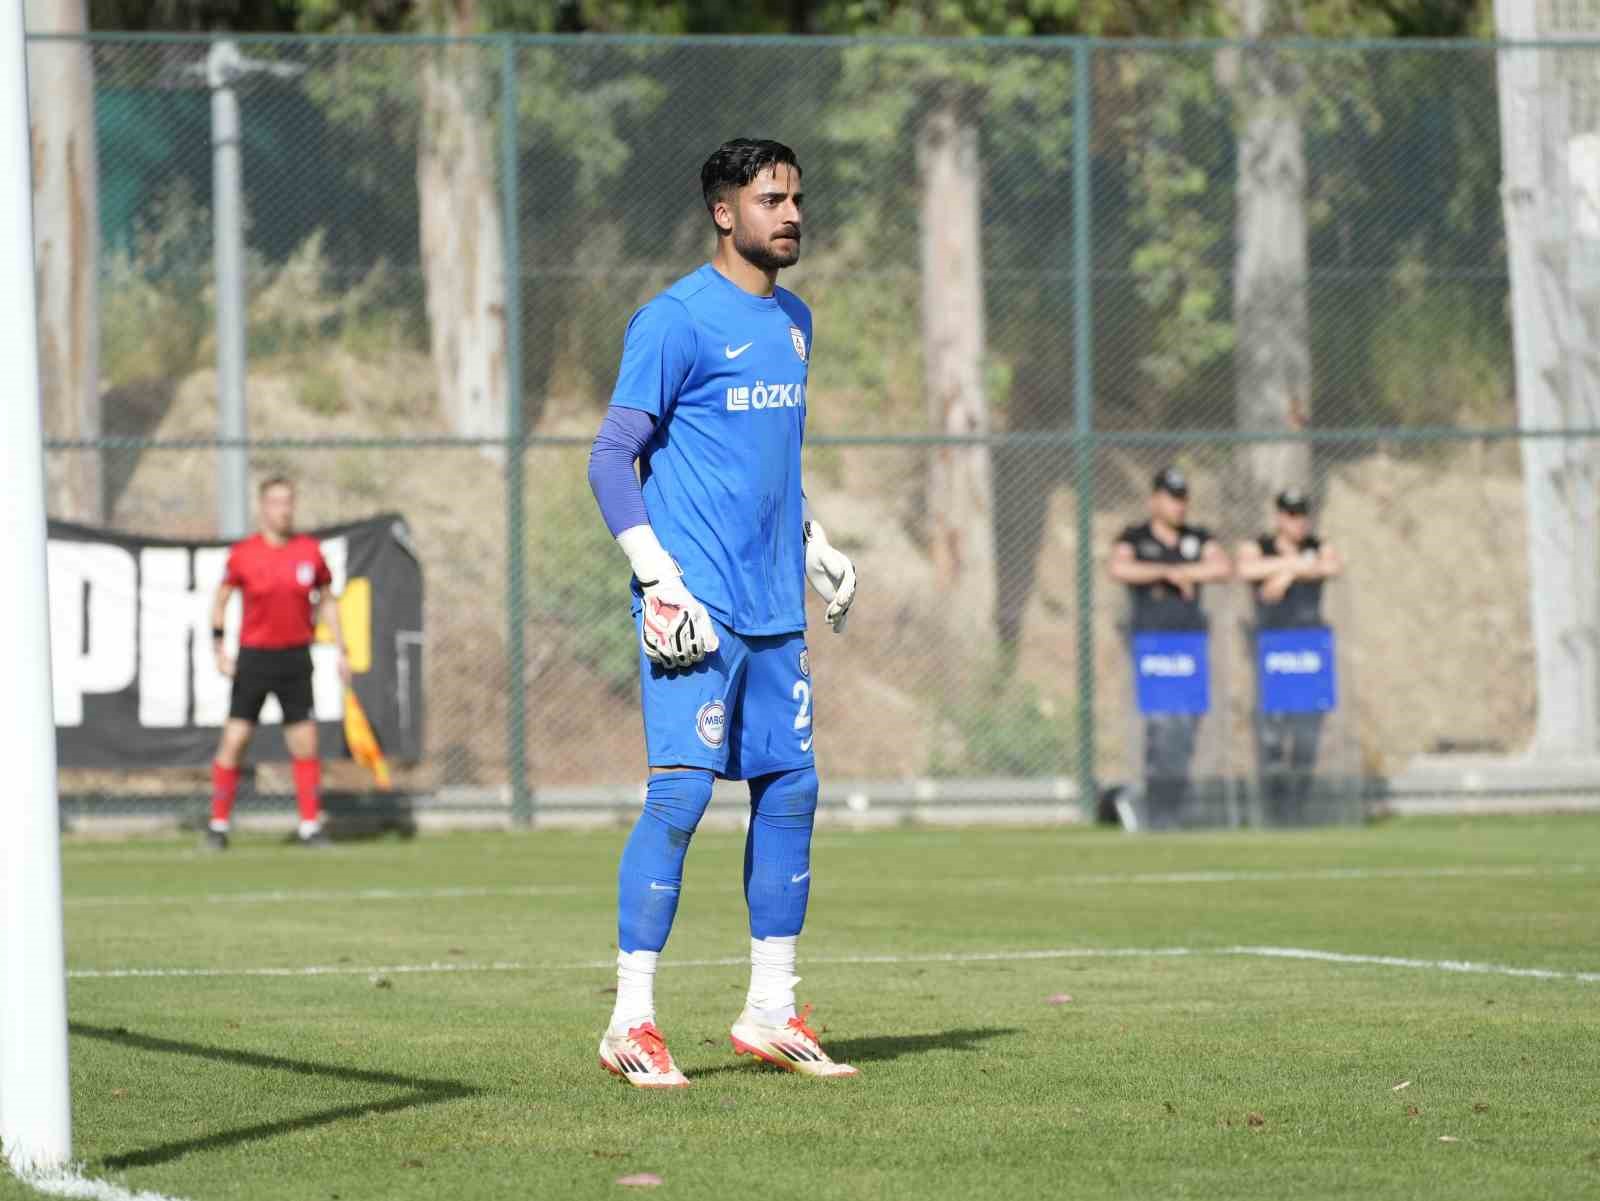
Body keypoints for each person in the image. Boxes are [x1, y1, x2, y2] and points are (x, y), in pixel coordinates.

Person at [584, 139, 859, 1089]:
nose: (792, 214)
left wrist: (812, 541)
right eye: (771, 199)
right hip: (693, 603)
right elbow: (610, 459)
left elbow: (766, 462)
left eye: (796, 198)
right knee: (681, 795)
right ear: (723, 211)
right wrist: (657, 577)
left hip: (776, 605)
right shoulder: (674, 321)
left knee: (792, 790)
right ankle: (629, 1021)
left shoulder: (796, 321)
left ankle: (771, 1009)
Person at [206, 476, 350, 850]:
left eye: (288, 502)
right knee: (235, 739)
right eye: (276, 502)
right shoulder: (244, 554)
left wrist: (342, 650)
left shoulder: (309, 552)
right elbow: (221, 600)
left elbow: (328, 599)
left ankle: (309, 826)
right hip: (255, 657)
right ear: (263, 507)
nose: (283, 510)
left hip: (295, 657)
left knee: (305, 743)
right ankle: (218, 825)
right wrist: (219, 648)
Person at [1107, 466, 1232, 829]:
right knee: (1159, 727)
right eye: (1172, 498)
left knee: (1187, 728)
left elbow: (1222, 567)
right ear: (1154, 500)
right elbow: (1120, 568)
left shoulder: (1196, 537)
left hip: (1190, 645)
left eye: (1183, 498)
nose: (1179, 505)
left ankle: (1172, 808)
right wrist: (1167, 572)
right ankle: (1152, 806)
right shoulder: (1135, 537)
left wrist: (1186, 573)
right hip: (1152, 645)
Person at [1236, 488, 1344, 821]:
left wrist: (1285, 574)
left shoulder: (1317, 545)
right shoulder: (1260, 546)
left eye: (1302, 515)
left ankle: (1299, 806)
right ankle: (1275, 806)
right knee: (1272, 734)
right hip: (1273, 650)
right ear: (1280, 517)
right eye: (1292, 515)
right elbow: (1246, 569)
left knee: (1307, 733)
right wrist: (1299, 565)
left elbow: (1333, 565)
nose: (1299, 522)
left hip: (1310, 650)